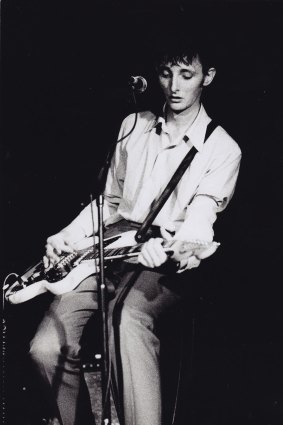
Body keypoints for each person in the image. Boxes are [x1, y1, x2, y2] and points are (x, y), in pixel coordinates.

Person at [28, 31, 241, 425]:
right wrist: (66, 236)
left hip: (166, 261)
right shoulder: (134, 125)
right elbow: (108, 203)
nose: (174, 86)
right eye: (165, 73)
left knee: (124, 320)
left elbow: (200, 222)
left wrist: (173, 248)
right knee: (45, 348)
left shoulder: (222, 149)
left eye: (186, 74)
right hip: (109, 250)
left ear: (207, 76)